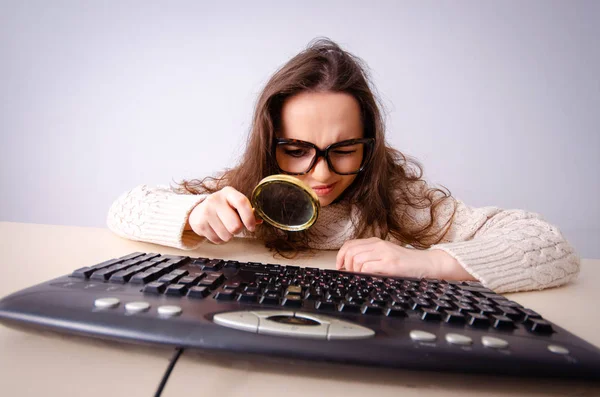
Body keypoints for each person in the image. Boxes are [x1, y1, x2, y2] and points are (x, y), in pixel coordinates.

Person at [107, 38, 580, 294]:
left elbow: (550, 246)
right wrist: (193, 214)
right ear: (269, 144)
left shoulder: (404, 206)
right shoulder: (248, 195)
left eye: (343, 149)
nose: (320, 174)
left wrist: (430, 262)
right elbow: (125, 207)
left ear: (369, 145)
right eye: (296, 150)